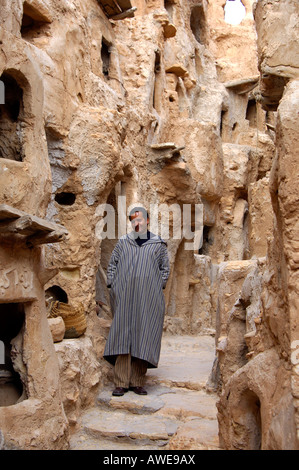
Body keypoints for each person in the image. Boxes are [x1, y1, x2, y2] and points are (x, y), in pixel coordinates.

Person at [103, 207, 170, 396]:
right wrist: (113, 285)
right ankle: (121, 382)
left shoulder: (158, 244)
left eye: (140, 219)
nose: (137, 223)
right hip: (124, 297)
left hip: (148, 298)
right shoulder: (123, 243)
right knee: (123, 336)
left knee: (144, 335)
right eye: (133, 220)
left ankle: (138, 382)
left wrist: (156, 286)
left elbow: (165, 269)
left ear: (147, 221)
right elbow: (112, 265)